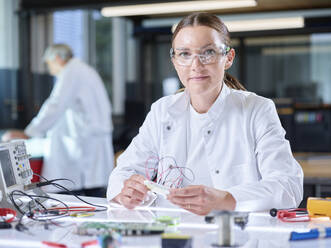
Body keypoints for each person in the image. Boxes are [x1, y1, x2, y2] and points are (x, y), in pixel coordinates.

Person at [107, 13, 303, 215]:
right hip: (171, 234)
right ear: (174, 61)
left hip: (236, 237)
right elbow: (123, 172)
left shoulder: (256, 109)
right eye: (184, 54)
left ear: (228, 58)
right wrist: (127, 191)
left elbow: (288, 186)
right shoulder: (162, 111)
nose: (196, 65)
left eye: (208, 52)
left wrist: (227, 198)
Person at [2, 44, 114, 197]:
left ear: (57, 58)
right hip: (92, 141)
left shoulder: (71, 72)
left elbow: (55, 105)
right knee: (94, 191)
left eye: (49, 64)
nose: (50, 70)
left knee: (82, 193)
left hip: (82, 143)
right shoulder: (87, 71)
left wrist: (29, 132)